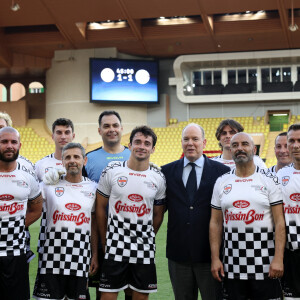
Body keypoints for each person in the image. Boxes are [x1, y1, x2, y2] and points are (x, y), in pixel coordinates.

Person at [210, 132, 285, 300]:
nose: (240, 148)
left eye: (245, 144)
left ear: (254, 149)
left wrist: (278, 258)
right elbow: (215, 223)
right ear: (230, 149)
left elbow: (280, 222)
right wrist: (215, 258)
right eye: (235, 145)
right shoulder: (222, 181)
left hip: (265, 265)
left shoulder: (269, 180)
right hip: (232, 266)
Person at [161, 123, 230, 300]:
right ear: (181, 142)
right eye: (186, 139)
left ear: (204, 142)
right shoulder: (167, 172)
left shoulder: (222, 172)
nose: (190, 143)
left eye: (195, 139)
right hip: (178, 255)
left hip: (210, 255)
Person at [96, 125, 166, 300]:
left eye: (147, 143)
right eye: (138, 142)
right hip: (115, 248)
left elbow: (158, 215)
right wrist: (105, 240)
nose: (142, 146)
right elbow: (100, 207)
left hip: (144, 250)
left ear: (153, 149)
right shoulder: (112, 171)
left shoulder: (158, 178)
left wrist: (147, 237)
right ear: (129, 145)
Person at [33, 142, 98, 300]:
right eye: (67, 157)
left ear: (85, 160)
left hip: (80, 258)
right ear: (62, 162)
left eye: (76, 156)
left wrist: (95, 254)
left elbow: (94, 225)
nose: (72, 160)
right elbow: (28, 202)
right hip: (51, 258)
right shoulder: (49, 185)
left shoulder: (93, 188)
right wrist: (41, 184)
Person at [83, 110, 131, 300]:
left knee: (132, 288)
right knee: (103, 290)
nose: (111, 130)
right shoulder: (89, 158)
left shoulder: (134, 155)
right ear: (99, 130)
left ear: (121, 129)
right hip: (100, 232)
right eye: (106, 126)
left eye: (115, 125)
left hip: (130, 234)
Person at [0, 127, 43, 299]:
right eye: (4, 142)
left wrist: (15, 226)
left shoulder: (28, 179)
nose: (9, 146)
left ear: (19, 145)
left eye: (13, 142)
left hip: (16, 253)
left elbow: (36, 209)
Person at [277, 124, 300, 300]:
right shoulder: (280, 176)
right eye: (291, 140)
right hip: (290, 251)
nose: (295, 145)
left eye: (299, 140)